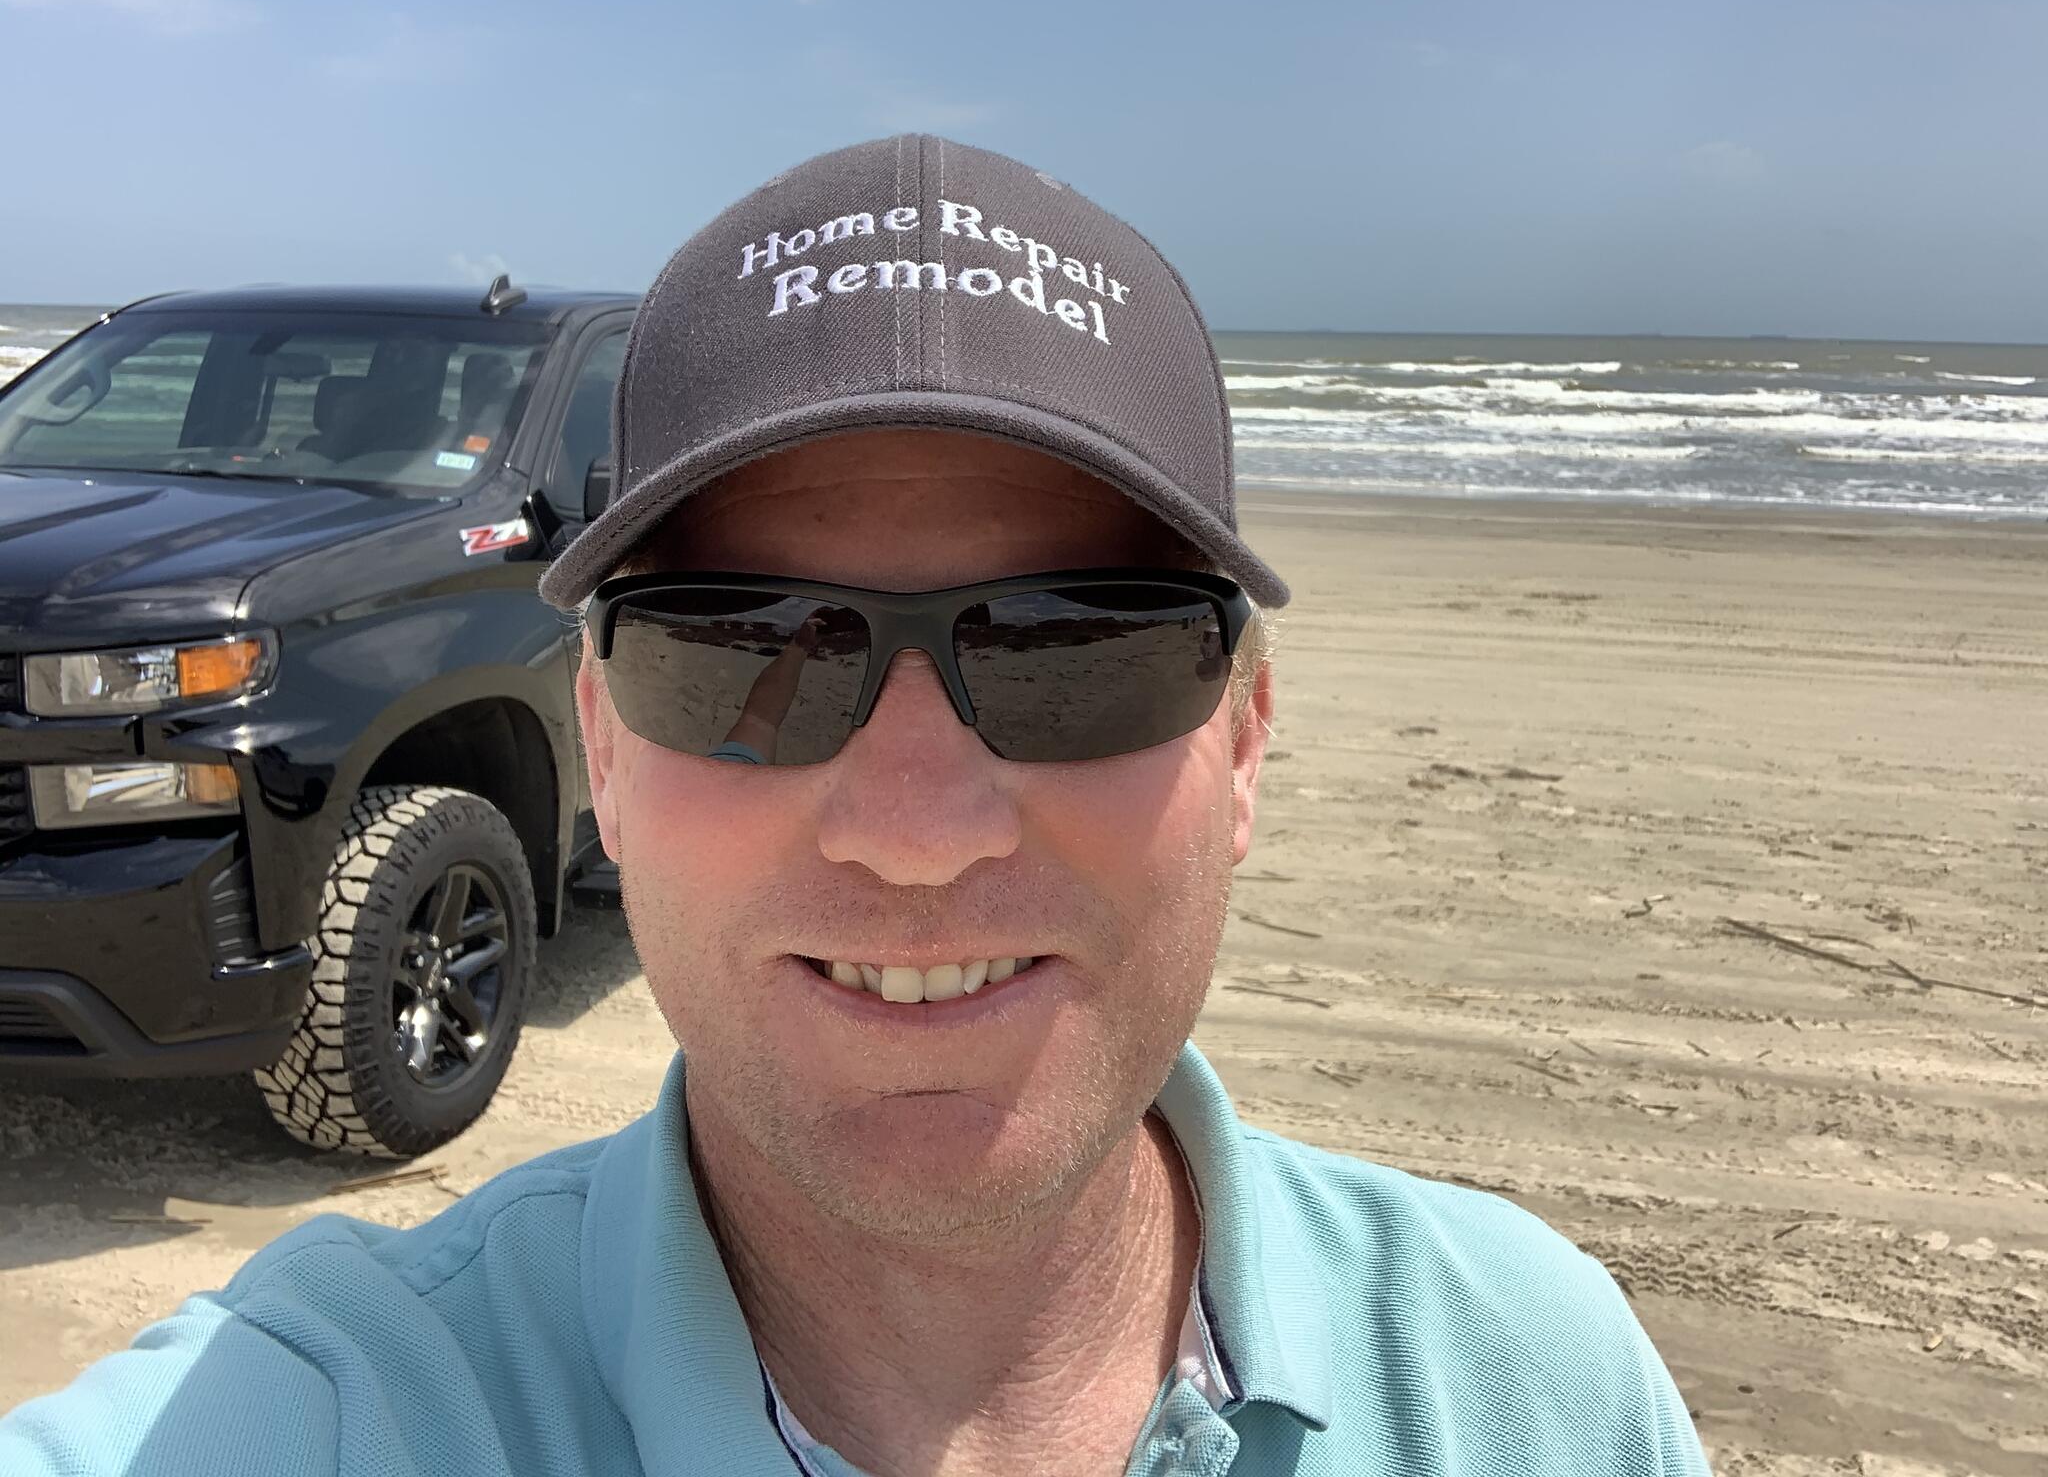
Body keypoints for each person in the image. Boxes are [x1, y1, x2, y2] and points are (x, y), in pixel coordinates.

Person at [0, 135, 1713, 1476]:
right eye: (746, 647)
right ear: (605, 750)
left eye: (1075, 648)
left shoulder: (1527, 1379)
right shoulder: (336, 1408)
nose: (917, 826)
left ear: (1246, 744)